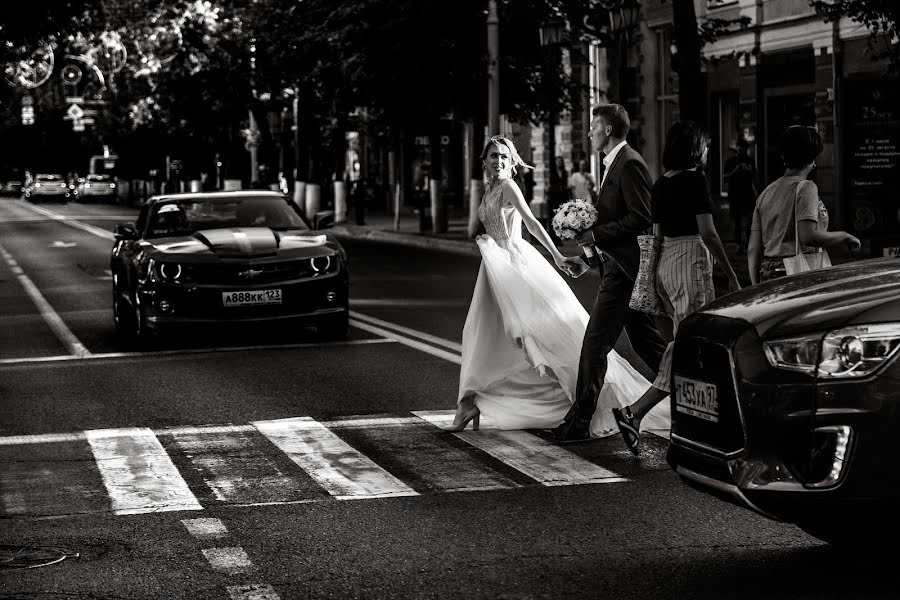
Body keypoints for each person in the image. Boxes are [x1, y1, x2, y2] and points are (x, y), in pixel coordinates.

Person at [447, 136, 668, 436]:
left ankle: (576, 398)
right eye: (493, 156)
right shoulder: (489, 188)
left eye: (503, 156)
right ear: (484, 161)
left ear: (511, 162)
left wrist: (557, 255)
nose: (498, 161)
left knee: (538, 335)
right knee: (483, 333)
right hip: (492, 267)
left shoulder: (510, 187)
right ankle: (471, 401)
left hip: (513, 266)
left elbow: (532, 224)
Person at [538, 104, 671, 444]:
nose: (589, 132)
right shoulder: (617, 164)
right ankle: (693, 397)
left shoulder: (629, 164)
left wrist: (595, 236)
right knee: (650, 346)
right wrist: (590, 257)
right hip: (618, 268)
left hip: (625, 274)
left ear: (608, 130)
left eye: (594, 126)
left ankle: (578, 424)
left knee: (595, 344)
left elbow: (641, 216)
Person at [611, 120, 741, 454]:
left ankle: (677, 418)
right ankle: (641, 413)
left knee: (687, 341)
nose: (709, 151)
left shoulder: (661, 184)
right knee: (691, 343)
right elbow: (708, 232)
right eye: (706, 145)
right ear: (696, 148)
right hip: (690, 260)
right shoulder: (695, 180)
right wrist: (730, 271)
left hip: (666, 261)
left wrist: (653, 275)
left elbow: (655, 235)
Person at [748, 125, 860, 284]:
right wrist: (844, 236)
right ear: (812, 158)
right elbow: (808, 236)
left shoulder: (765, 193)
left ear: (783, 156)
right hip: (794, 274)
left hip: (767, 274)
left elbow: (753, 249)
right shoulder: (806, 187)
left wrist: (754, 287)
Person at [723, 138, 757, 253]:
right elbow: (724, 178)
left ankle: (747, 243)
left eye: (743, 147)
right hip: (735, 195)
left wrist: (756, 192)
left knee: (749, 220)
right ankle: (738, 244)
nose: (740, 149)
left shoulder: (750, 161)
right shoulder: (731, 161)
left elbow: (754, 178)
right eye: (739, 146)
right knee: (737, 221)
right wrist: (735, 171)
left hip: (748, 195)